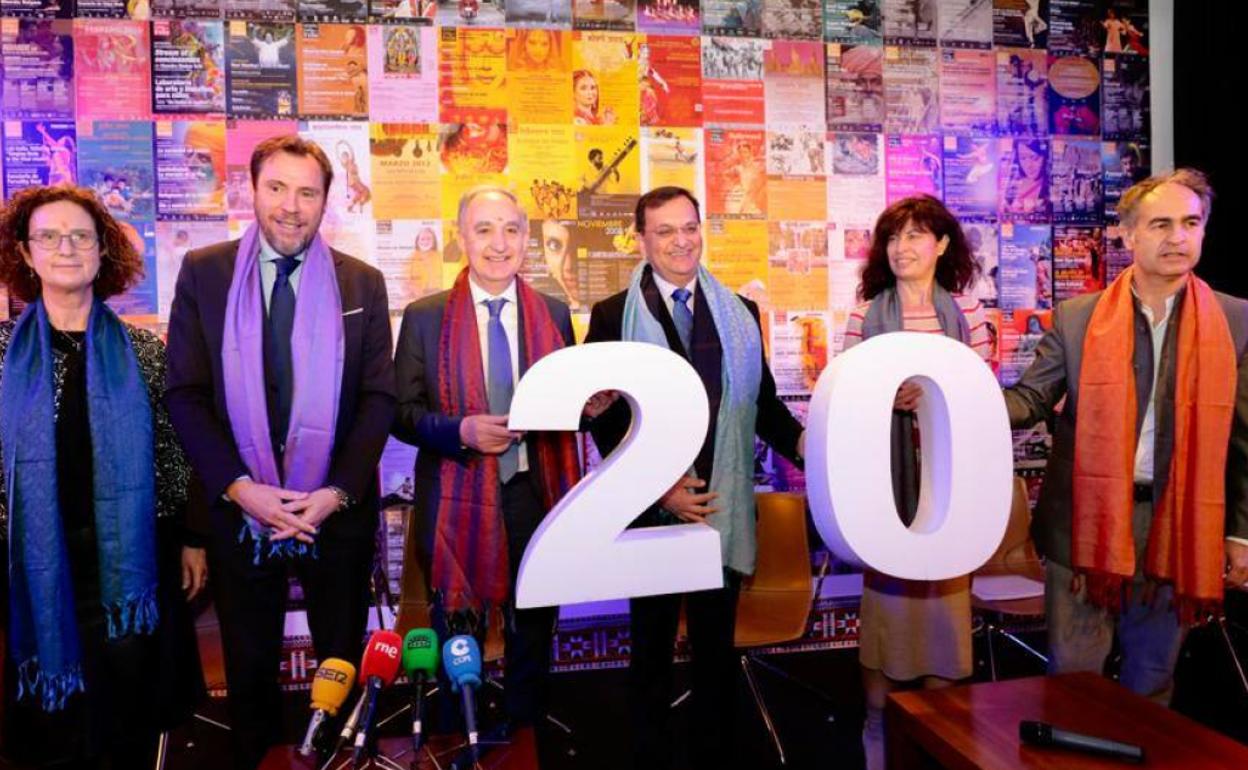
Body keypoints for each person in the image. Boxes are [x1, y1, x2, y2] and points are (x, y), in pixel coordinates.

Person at [164, 135, 396, 770]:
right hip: (241, 513)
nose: (290, 206)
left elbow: (379, 398)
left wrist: (335, 493)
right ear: (253, 190)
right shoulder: (205, 273)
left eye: (307, 192)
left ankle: (340, 759)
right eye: (277, 188)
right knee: (249, 662)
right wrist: (242, 489)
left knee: (341, 659)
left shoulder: (363, 283)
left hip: (335, 512)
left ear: (326, 202)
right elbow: (184, 392)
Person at [1004, 169, 1248, 706]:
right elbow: (1029, 400)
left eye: (1191, 223)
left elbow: (1244, 443)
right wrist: (956, 403)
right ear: (1128, 235)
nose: (1178, 237)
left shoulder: (1236, 320)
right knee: (1073, 683)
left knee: (1153, 683)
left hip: (1178, 524)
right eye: (1161, 224)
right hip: (1083, 529)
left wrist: (1240, 534)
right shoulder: (1077, 318)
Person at [585, 186, 806, 770]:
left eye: (690, 227)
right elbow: (602, 419)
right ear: (641, 240)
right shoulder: (612, 316)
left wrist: (813, 446)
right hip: (652, 509)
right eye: (665, 231)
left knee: (715, 656)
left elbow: (763, 407)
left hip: (722, 508)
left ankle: (715, 757)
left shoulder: (740, 313)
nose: (681, 241)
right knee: (650, 655)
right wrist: (660, 487)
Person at [392, 187, 602, 761]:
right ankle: (460, 727)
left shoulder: (554, 313)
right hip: (457, 496)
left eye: (511, 229)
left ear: (526, 239)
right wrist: (460, 431)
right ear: (462, 237)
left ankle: (523, 730)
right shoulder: (425, 316)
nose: (498, 243)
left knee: (532, 623)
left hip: (534, 491)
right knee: (458, 627)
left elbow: (565, 403)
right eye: (484, 229)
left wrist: (589, 404)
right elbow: (400, 415)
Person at [0, 185, 205, 767]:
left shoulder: (143, 351)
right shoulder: (0, 355)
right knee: (56, 734)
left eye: (81, 236)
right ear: (25, 252)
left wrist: (192, 539)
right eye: (49, 236)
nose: (66, 248)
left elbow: (174, 455)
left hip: (132, 568)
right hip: (34, 568)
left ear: (103, 251)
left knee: (127, 721)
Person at [840, 195, 992, 770]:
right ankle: (877, 727)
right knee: (887, 616)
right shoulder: (864, 314)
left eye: (916, 235)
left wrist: (933, 398)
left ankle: (942, 735)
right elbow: (847, 402)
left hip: (952, 494)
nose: (902, 248)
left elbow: (981, 400)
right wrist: (886, 397)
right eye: (893, 237)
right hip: (887, 494)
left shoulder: (970, 313)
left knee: (944, 620)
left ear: (943, 245)